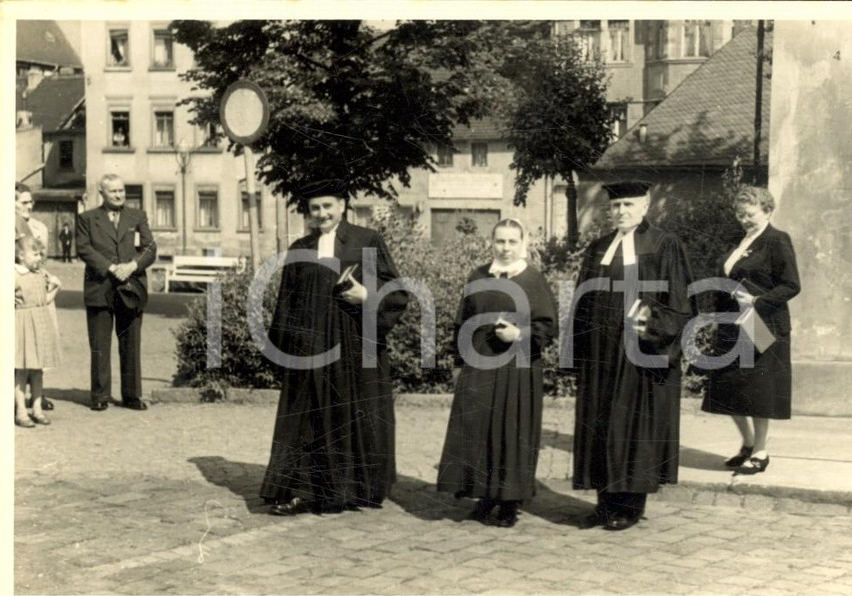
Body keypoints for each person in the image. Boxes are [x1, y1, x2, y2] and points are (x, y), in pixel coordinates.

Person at [261, 182, 409, 516]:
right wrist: (283, 350)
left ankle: (357, 488)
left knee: (353, 413)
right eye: (315, 208)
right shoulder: (300, 248)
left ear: (342, 205)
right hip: (309, 349)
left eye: (328, 205)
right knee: (307, 418)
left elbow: (397, 292)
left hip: (355, 346)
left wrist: (367, 296)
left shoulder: (366, 240)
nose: (322, 214)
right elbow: (287, 302)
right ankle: (302, 491)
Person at [571, 180, 695, 531]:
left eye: (629, 205)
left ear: (645, 206)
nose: (621, 212)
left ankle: (630, 505)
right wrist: (578, 350)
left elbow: (681, 300)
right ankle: (604, 502)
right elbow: (583, 300)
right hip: (601, 354)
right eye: (616, 206)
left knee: (633, 426)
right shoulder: (599, 248)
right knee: (601, 423)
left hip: (640, 353)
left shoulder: (663, 244)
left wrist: (654, 324)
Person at [436, 219, 558, 528]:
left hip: (517, 368)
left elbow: (547, 326)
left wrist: (519, 334)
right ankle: (484, 496)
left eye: (511, 242)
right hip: (479, 366)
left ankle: (508, 502)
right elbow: (463, 321)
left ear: (523, 243)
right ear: (491, 243)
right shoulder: (478, 276)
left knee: (511, 430)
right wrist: (458, 362)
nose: (505, 248)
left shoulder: (532, 280)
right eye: (499, 242)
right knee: (479, 430)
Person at [700, 185, 801, 474]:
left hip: (761, 324)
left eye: (750, 214)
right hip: (733, 323)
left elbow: (792, 285)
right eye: (740, 214)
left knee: (758, 388)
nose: (744, 219)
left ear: (768, 211)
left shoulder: (777, 240)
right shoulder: (738, 240)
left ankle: (761, 451)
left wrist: (758, 300)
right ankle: (746, 444)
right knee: (726, 384)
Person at [76, 174, 157, 412]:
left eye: (122, 190)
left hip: (131, 288)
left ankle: (132, 396)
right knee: (100, 344)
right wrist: (111, 268)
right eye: (113, 192)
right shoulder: (87, 219)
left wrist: (132, 266)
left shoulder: (137, 216)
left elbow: (149, 248)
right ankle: (100, 395)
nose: (120, 195)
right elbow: (84, 248)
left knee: (131, 343)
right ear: (102, 193)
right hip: (100, 287)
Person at [15, 182, 55, 411]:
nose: (29, 206)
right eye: (24, 202)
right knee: (19, 348)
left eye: (31, 201)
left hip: (38, 290)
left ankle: (38, 395)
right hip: (18, 292)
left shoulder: (40, 227)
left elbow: (43, 260)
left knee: (39, 345)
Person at [15, 236, 62, 428]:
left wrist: (56, 288)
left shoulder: (41, 274)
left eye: (40, 254)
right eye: (34, 254)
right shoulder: (14, 275)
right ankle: (20, 411)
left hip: (40, 324)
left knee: (38, 370)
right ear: (20, 255)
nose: (38, 258)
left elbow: (45, 300)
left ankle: (37, 409)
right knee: (21, 370)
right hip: (23, 326)